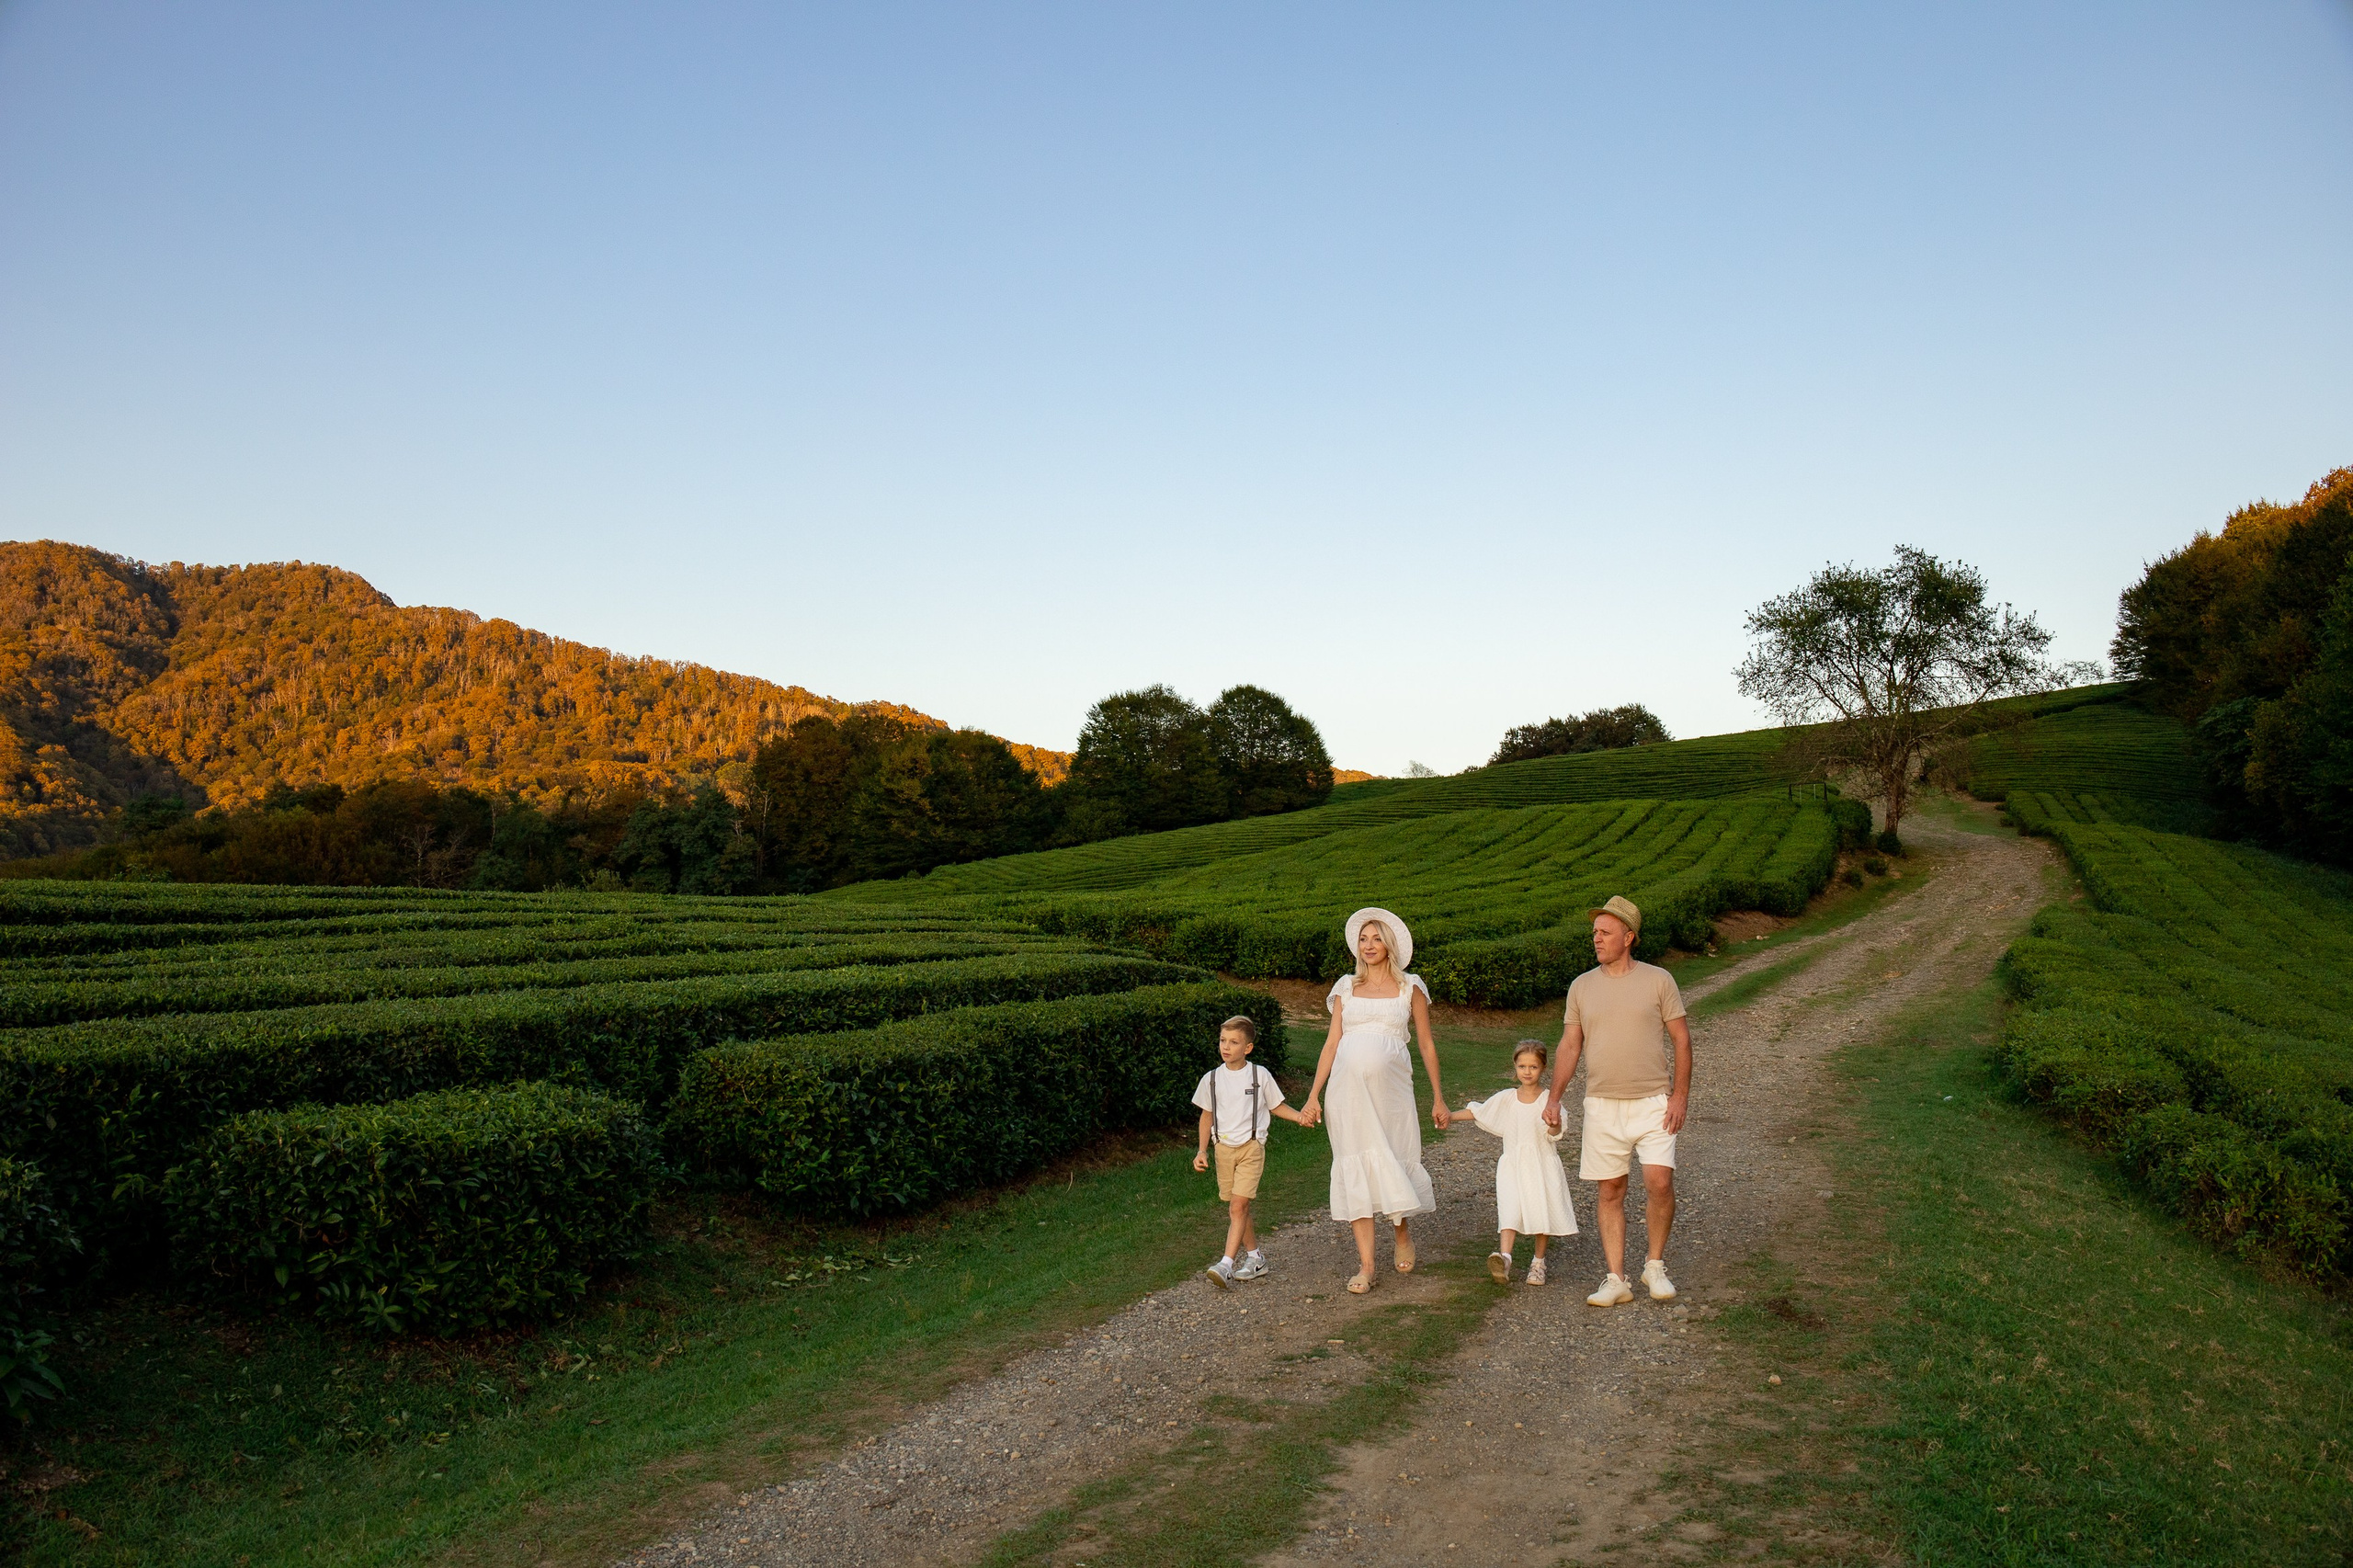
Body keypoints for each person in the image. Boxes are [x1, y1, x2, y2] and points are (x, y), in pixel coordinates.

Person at [1540, 895, 1693, 1307]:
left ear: (1629, 937)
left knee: (1659, 1182)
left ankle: (1655, 1266)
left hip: (1653, 1102)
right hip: (1602, 1105)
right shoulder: (1581, 987)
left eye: (1605, 932)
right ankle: (1616, 1278)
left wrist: (1679, 1097)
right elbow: (1571, 1045)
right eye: (1594, 933)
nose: (1597, 939)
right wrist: (1554, 1098)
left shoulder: (1659, 980)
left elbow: (1681, 1039)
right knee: (1610, 1189)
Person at [1299, 907, 1449, 1295]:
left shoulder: (1409, 987)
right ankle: (1366, 1265)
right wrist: (1313, 1095)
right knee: (1356, 1164)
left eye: (1376, 938)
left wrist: (1438, 1097)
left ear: (1390, 945)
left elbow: (1427, 1042)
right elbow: (1331, 1043)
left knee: (1393, 1158)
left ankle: (1401, 1232)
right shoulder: (1346, 987)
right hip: (1346, 1095)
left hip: (1392, 1093)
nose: (1368, 945)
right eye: (1363, 939)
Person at [1192, 1014, 1310, 1289]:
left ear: (1248, 1048)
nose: (1226, 1047)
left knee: (1238, 1206)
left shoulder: (1259, 1075)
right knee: (1237, 1208)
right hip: (1222, 1149)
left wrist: (1299, 1117)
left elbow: (1275, 1106)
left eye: (1234, 1042)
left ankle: (1225, 1264)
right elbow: (1206, 1116)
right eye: (1223, 1041)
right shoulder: (1211, 1079)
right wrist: (1202, 1151)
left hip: (1251, 1148)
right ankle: (1256, 1258)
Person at [1457, 1040, 1579, 1286]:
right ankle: (1505, 1258)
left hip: (1540, 1165)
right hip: (1512, 1165)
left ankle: (1538, 1263)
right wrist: (1449, 1116)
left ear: (1543, 1068)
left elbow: (1555, 1133)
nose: (1527, 1071)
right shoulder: (1507, 1098)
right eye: (1522, 1066)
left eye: (1533, 1066)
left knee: (1541, 1211)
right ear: (1515, 1066)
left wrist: (1553, 1122)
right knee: (1509, 1209)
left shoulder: (1549, 1100)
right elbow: (1479, 1111)